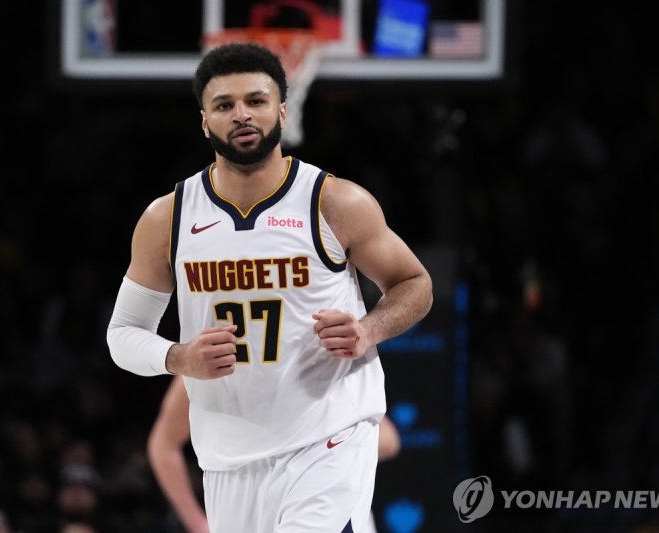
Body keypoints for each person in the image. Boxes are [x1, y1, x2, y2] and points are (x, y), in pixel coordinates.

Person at [107, 42, 433, 532]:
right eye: (224, 105)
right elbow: (123, 334)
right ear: (204, 122)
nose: (242, 114)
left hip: (327, 439)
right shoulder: (167, 219)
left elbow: (415, 283)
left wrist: (370, 329)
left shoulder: (334, 201)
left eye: (256, 101)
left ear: (282, 109)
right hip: (228, 460)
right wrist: (179, 358)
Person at [147, 375, 401, 533]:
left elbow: (388, 440)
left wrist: (319, 446)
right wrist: (198, 524)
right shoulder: (209, 354)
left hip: (321, 502)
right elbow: (164, 444)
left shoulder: (318, 350)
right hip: (241, 505)